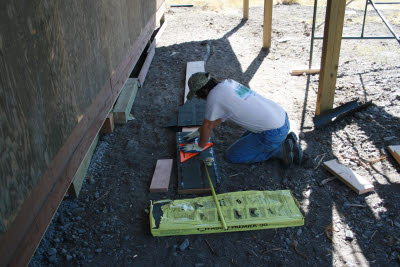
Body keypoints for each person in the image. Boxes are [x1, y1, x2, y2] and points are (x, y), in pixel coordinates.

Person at [180, 72, 302, 167]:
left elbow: (207, 125)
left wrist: (200, 146)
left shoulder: (213, 96)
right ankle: (284, 140)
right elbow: (216, 120)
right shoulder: (229, 83)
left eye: (198, 95)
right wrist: (199, 132)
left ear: (204, 90)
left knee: (232, 155)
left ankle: (280, 150)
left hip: (272, 132)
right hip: (282, 118)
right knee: (245, 141)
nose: (200, 98)